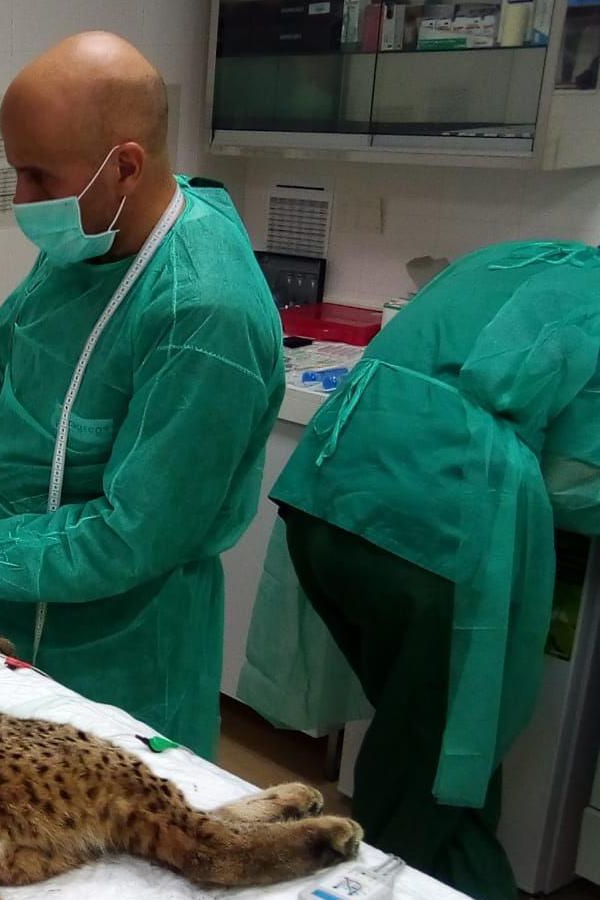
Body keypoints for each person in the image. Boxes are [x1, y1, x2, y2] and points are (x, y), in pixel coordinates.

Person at [0, 32, 283, 757]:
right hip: (18, 616)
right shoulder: (88, 243)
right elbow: (2, 378)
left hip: (127, 650)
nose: (20, 200)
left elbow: (132, 533)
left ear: (126, 166)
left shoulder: (205, 313)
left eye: (38, 176)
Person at [241, 240, 600, 899]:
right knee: (430, 760)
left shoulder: (520, 257)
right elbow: (581, 483)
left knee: (422, 733)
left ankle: (442, 870)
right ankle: (394, 882)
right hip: (433, 534)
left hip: (328, 497)